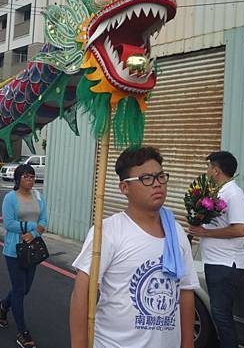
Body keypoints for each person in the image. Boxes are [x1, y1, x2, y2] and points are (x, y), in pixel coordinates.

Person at [70, 146, 199, 348]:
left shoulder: (176, 232)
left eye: (161, 176)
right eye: (146, 178)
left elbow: (186, 291)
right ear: (124, 188)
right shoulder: (108, 232)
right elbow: (82, 290)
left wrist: (187, 343)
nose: (157, 184)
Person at [188, 151, 244, 348]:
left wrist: (205, 233)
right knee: (219, 313)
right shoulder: (218, 193)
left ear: (216, 170)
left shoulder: (234, 194)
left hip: (225, 265)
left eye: (208, 168)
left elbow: (240, 229)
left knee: (221, 315)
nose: (207, 172)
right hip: (216, 263)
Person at [0, 164, 48, 347]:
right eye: (26, 176)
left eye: (32, 176)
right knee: (18, 289)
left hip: (32, 249)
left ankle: (2, 305)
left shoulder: (38, 197)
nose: (30, 179)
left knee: (25, 289)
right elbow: (9, 224)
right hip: (14, 250)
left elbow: (44, 220)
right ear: (18, 179)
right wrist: (32, 227)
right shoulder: (10, 198)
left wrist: (35, 233)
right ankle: (22, 332)